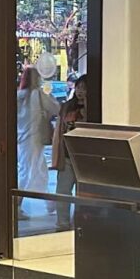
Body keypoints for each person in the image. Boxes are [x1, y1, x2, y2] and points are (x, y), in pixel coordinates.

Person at [15, 65, 59, 219]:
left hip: (21, 139)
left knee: (36, 169)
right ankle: (16, 204)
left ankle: (50, 203)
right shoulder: (38, 95)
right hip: (34, 138)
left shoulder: (19, 95)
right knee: (31, 171)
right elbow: (56, 108)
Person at [51, 73, 88, 230]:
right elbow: (59, 130)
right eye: (79, 87)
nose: (80, 91)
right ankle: (62, 224)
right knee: (63, 191)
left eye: (84, 89)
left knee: (84, 194)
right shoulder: (67, 106)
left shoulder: (95, 107)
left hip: (85, 158)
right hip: (67, 155)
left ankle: (81, 224)